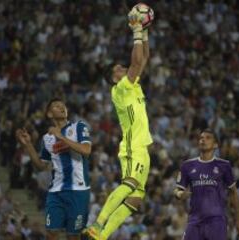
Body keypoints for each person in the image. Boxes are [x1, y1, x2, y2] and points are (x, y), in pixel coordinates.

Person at [82, 7, 153, 240]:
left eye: (123, 67)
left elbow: (142, 61)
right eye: (118, 69)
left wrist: (144, 33)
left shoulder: (131, 85)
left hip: (141, 145)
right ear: (114, 77)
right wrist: (136, 31)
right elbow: (135, 64)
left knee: (135, 199)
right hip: (134, 143)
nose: (123, 68)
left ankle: (101, 236)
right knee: (129, 184)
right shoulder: (120, 88)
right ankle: (98, 223)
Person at [16, 98, 92, 240]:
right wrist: (28, 145)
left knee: (73, 236)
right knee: (51, 233)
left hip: (78, 190)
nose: (62, 107)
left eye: (63, 105)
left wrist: (61, 137)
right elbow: (41, 166)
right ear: (50, 114)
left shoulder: (79, 127)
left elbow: (86, 150)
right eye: (57, 106)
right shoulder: (47, 138)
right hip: (56, 191)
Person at [174, 129, 239, 240]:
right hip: (194, 221)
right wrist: (180, 194)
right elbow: (177, 190)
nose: (203, 140)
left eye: (208, 138)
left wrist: (238, 221)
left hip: (216, 222)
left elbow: (234, 192)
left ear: (215, 145)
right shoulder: (187, 165)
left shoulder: (224, 165)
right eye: (201, 138)